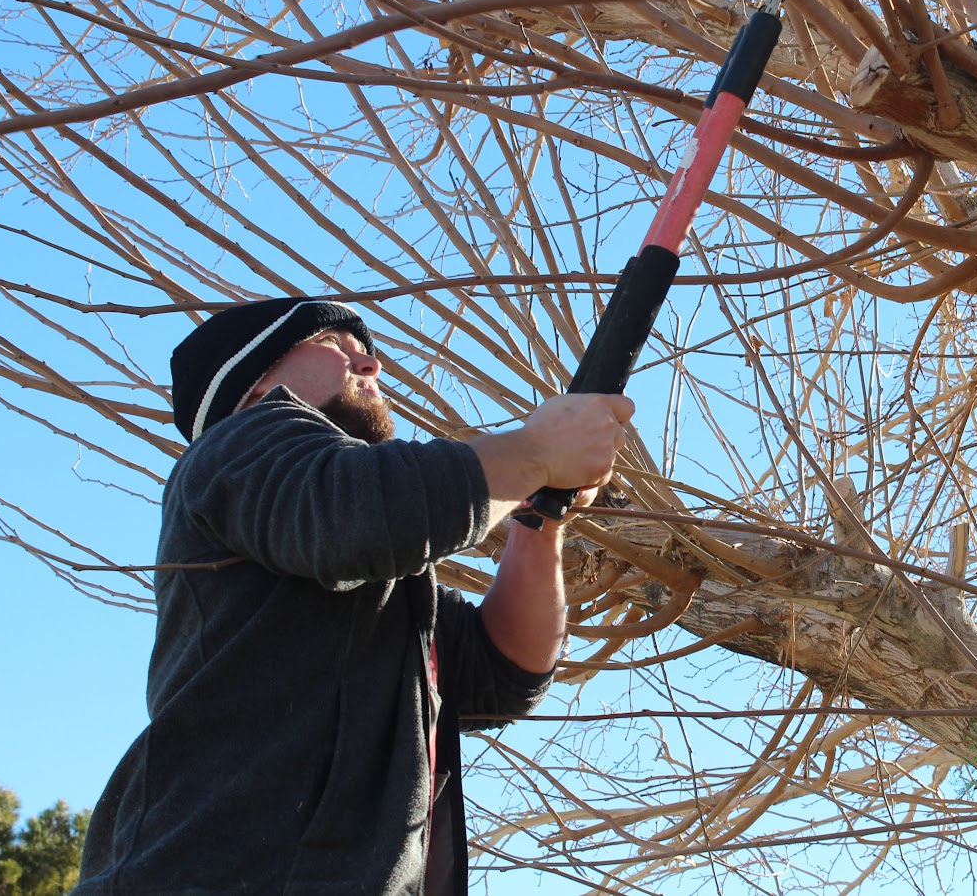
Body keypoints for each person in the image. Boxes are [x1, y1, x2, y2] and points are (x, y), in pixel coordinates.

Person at [74, 297, 633, 894]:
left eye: (367, 352)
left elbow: (502, 673)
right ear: (255, 381)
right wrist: (535, 452)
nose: (372, 365)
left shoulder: (375, 577)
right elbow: (359, 512)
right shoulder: (237, 445)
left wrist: (542, 521)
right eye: (339, 347)